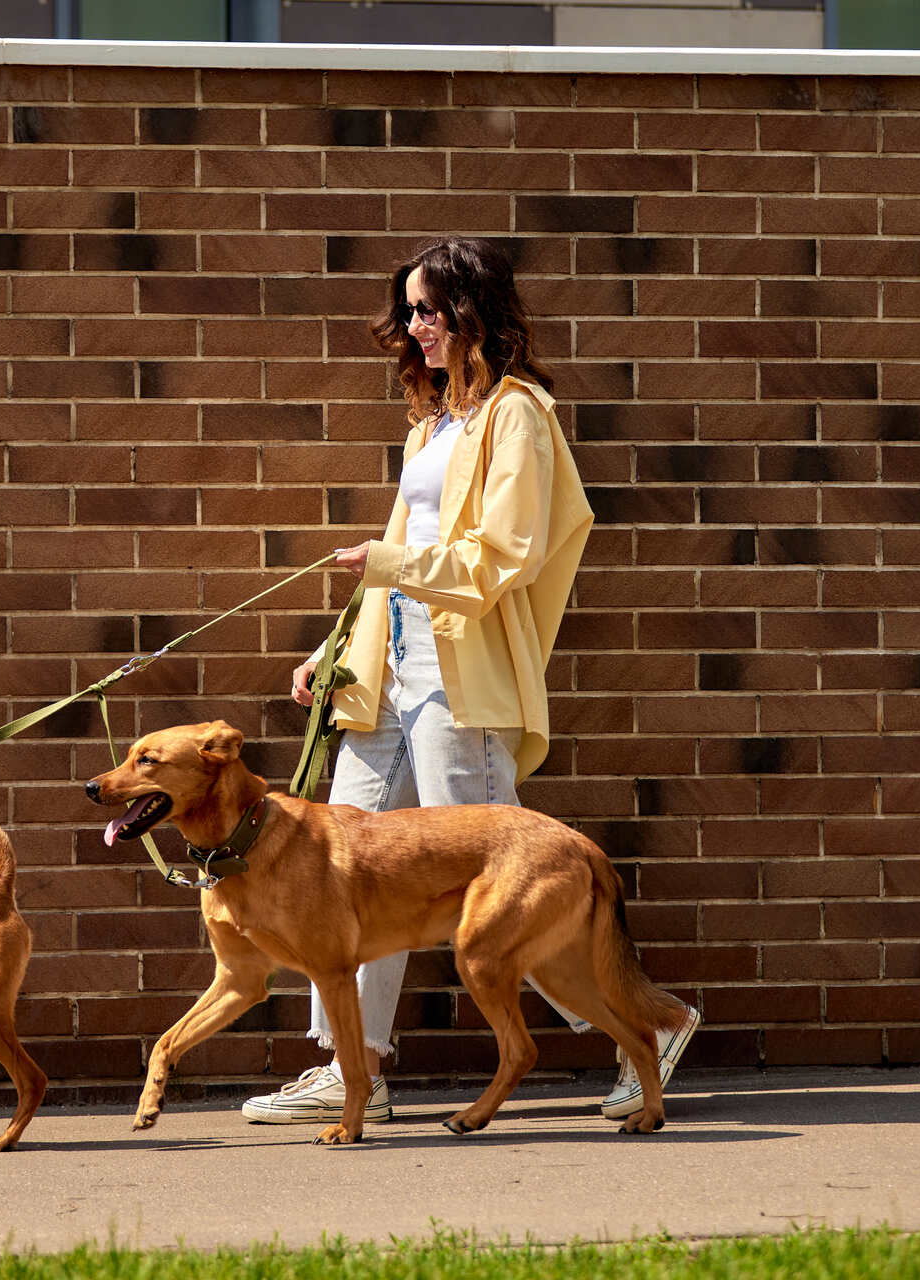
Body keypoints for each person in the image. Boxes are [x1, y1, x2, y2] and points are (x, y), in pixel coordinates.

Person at [240, 236, 699, 1127]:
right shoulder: (430, 426)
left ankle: (653, 1025)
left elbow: (505, 554)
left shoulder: (519, 414)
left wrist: (386, 563)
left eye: (429, 310)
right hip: (385, 683)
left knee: (504, 890)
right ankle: (350, 1064)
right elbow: (395, 560)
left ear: (472, 310)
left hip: (462, 684)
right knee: (345, 877)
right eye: (408, 312)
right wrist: (332, 651)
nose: (415, 328)